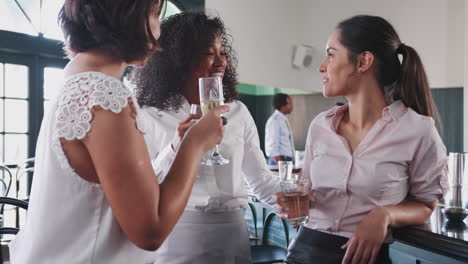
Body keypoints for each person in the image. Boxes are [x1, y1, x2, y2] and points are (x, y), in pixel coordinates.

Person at [9, 1, 229, 263]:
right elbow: (151, 230)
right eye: (154, 16)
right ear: (129, 16)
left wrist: (179, 146)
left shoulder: (76, 79)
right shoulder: (104, 94)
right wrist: (195, 144)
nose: (158, 34)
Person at [274, 15, 448, 264]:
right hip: (305, 249)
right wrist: (295, 205)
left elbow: (425, 205)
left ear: (363, 61)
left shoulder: (418, 130)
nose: (322, 66)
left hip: (364, 257)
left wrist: (384, 214)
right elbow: (307, 192)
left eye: (331, 54)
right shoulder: (320, 126)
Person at [135, 11, 280, 264]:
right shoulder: (150, 117)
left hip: (233, 234)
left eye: (222, 53)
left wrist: (303, 197)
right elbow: (146, 187)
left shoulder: (238, 112)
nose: (220, 62)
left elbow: (262, 182)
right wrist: (175, 147)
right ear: (181, 58)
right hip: (179, 235)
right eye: (209, 53)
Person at [265, 93, 295, 165]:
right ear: (282, 105)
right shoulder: (274, 120)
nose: (292, 106)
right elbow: (272, 147)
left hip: (286, 160)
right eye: (290, 103)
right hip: (278, 161)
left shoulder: (283, 119)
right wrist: (281, 165)